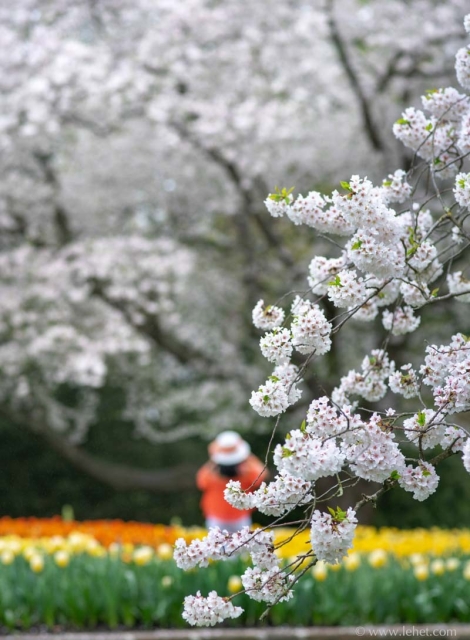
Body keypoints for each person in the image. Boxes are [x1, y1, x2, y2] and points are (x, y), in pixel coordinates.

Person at [197, 430, 268, 532]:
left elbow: (261, 475)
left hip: (238, 516)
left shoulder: (245, 473)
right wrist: (247, 455)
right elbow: (201, 482)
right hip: (218, 516)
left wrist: (214, 459)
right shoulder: (214, 476)